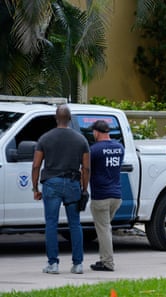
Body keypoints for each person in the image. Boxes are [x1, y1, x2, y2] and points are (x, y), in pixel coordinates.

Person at [32, 104, 90, 274]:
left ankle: (53, 264)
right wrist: (84, 188)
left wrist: (35, 188)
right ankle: (78, 264)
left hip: (51, 184)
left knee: (51, 223)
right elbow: (86, 168)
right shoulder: (81, 140)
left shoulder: (45, 138)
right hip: (73, 184)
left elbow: (36, 165)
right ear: (70, 119)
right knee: (75, 224)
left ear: (56, 118)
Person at [89, 120, 125, 271]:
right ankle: (103, 259)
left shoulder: (94, 150)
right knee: (105, 228)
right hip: (116, 196)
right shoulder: (119, 147)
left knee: (104, 230)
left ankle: (107, 263)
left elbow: (87, 169)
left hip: (101, 196)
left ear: (97, 132)